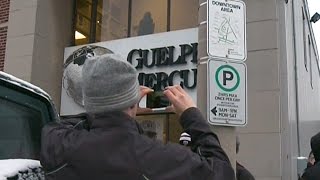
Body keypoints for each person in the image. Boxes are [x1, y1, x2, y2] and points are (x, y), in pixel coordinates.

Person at [40, 54, 235, 180]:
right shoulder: (162, 158)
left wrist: (116, 109)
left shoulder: (58, 143)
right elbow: (223, 172)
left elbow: (69, 124)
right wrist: (191, 115)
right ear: (134, 102)